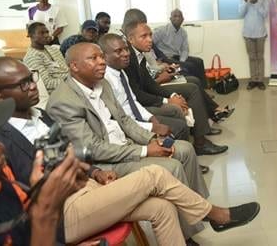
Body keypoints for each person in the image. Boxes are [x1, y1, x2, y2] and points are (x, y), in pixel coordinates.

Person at [0, 65, 260, 245]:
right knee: (155, 174)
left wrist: (96, 173)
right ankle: (215, 215)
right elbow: (18, 199)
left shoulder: (39, 116)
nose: (33, 87)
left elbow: (67, 155)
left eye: (32, 79)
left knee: (162, 207)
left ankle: (207, 218)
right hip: (58, 213)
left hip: (85, 188)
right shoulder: (1, 139)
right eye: (22, 84)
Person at [45, 44, 210, 207]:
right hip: (103, 161)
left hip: (125, 144)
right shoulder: (63, 101)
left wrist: (151, 139)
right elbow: (93, 149)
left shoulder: (102, 84)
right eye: (93, 58)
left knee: (185, 149)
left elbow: (124, 120)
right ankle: (191, 222)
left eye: (102, 56)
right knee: (172, 166)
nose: (102, 62)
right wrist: (145, 151)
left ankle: (199, 208)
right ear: (74, 66)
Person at [124, 21, 228, 156]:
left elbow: (150, 84)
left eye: (150, 35)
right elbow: (138, 94)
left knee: (192, 85)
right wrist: (167, 101)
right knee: (192, 89)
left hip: (149, 93)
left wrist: (172, 96)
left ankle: (202, 135)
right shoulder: (128, 59)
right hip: (140, 103)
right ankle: (200, 143)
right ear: (130, 39)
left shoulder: (139, 55)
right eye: (144, 36)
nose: (150, 40)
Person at [100, 33, 190, 141]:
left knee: (177, 118)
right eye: (119, 51)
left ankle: (173, 149)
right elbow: (121, 119)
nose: (126, 54)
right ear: (104, 56)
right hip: (129, 126)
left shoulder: (121, 71)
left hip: (137, 115)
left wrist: (150, 117)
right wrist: (152, 126)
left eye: (126, 49)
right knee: (180, 127)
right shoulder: (105, 80)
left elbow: (133, 101)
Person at [153, 9, 208, 88]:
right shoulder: (161, 30)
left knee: (199, 61)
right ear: (170, 18)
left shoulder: (183, 32)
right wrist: (156, 59)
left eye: (180, 16)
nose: (177, 18)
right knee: (190, 66)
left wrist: (181, 61)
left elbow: (185, 50)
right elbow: (150, 44)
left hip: (176, 57)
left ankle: (204, 88)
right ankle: (195, 87)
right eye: (175, 16)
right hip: (165, 58)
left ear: (183, 19)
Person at [239, 0, 269, 90]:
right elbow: (241, 14)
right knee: (251, 57)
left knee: (260, 57)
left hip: (260, 34)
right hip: (248, 34)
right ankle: (253, 80)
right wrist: (246, 1)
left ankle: (260, 80)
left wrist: (256, 3)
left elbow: (265, 14)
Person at [23, 22, 69, 96]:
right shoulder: (32, 57)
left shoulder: (54, 49)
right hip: (59, 92)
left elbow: (67, 69)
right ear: (31, 35)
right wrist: (74, 81)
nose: (47, 35)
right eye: (42, 33)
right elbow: (47, 83)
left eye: (47, 32)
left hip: (73, 84)